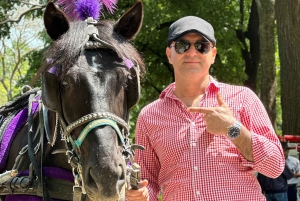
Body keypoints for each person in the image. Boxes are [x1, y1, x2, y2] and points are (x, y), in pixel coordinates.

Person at [126, 16, 285, 201]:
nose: (192, 52)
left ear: (213, 54)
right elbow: (148, 184)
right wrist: (140, 195)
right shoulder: (149, 116)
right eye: (182, 45)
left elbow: (275, 166)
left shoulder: (244, 99)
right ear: (169, 54)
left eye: (202, 46)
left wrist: (232, 128)